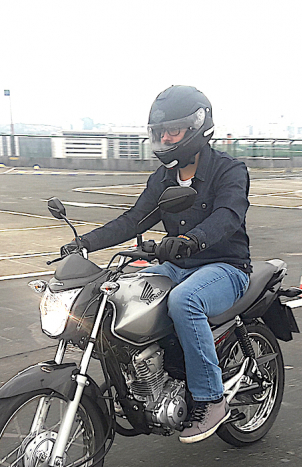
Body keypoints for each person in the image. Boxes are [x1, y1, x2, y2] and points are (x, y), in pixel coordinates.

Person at [61, 85, 251, 444]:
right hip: (176, 265)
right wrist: (85, 242)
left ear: (197, 127)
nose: (165, 138)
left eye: (172, 131)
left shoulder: (230, 170)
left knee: (185, 301)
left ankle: (211, 400)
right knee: (122, 294)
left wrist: (191, 240)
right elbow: (134, 219)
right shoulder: (162, 179)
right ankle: (149, 378)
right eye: (160, 132)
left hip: (225, 267)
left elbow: (228, 215)